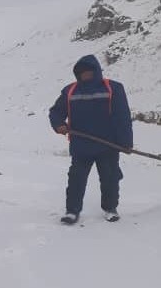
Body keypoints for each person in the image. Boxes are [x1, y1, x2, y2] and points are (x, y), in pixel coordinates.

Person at [48, 54, 133, 224]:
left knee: (110, 178)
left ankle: (110, 208)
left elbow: (122, 117)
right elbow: (56, 112)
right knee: (76, 180)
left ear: (96, 71)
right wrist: (59, 125)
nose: (85, 75)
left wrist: (125, 143)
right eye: (81, 72)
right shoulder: (70, 90)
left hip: (107, 145)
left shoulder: (112, 88)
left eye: (88, 71)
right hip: (81, 146)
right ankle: (72, 211)